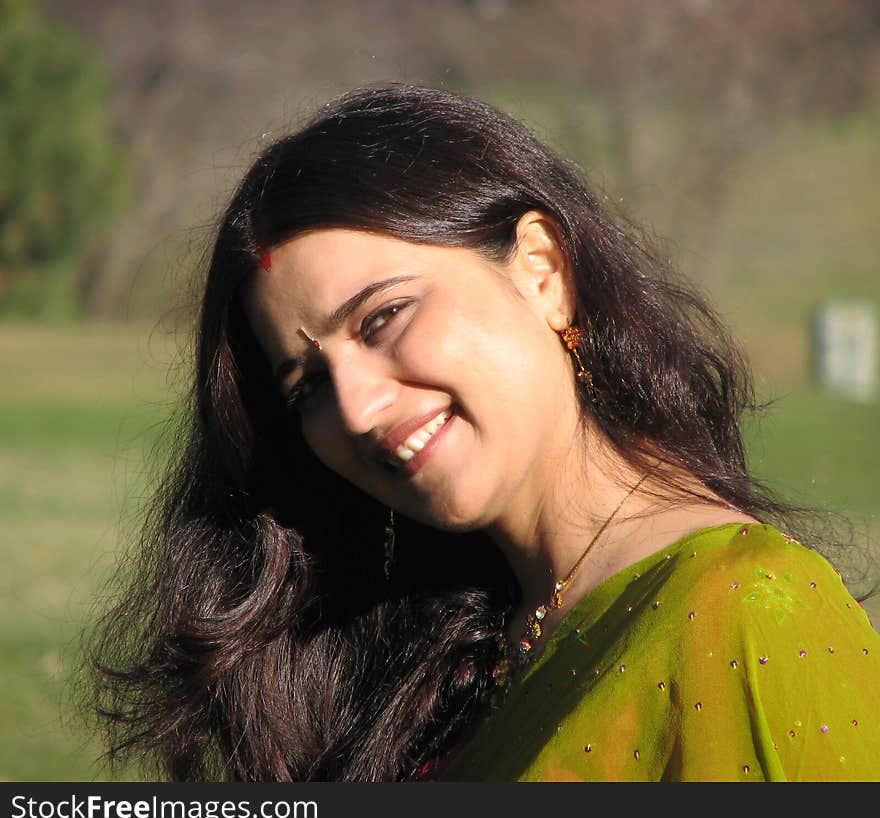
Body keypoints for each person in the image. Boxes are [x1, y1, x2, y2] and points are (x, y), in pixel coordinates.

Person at [89, 83, 880, 782]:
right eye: (308, 387)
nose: (357, 409)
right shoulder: (457, 643)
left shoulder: (748, 612)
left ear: (543, 272)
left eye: (383, 317)